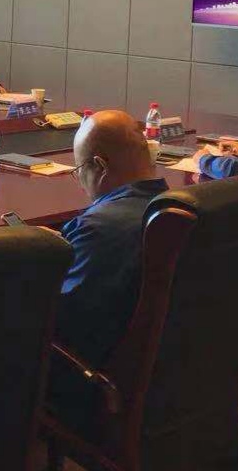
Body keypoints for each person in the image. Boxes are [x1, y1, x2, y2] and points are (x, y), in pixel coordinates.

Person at [50, 110, 169, 432]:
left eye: (79, 170)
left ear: (99, 166)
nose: (79, 181)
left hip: (100, 384)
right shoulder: (175, 208)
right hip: (172, 374)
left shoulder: (99, 228)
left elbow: (59, 319)